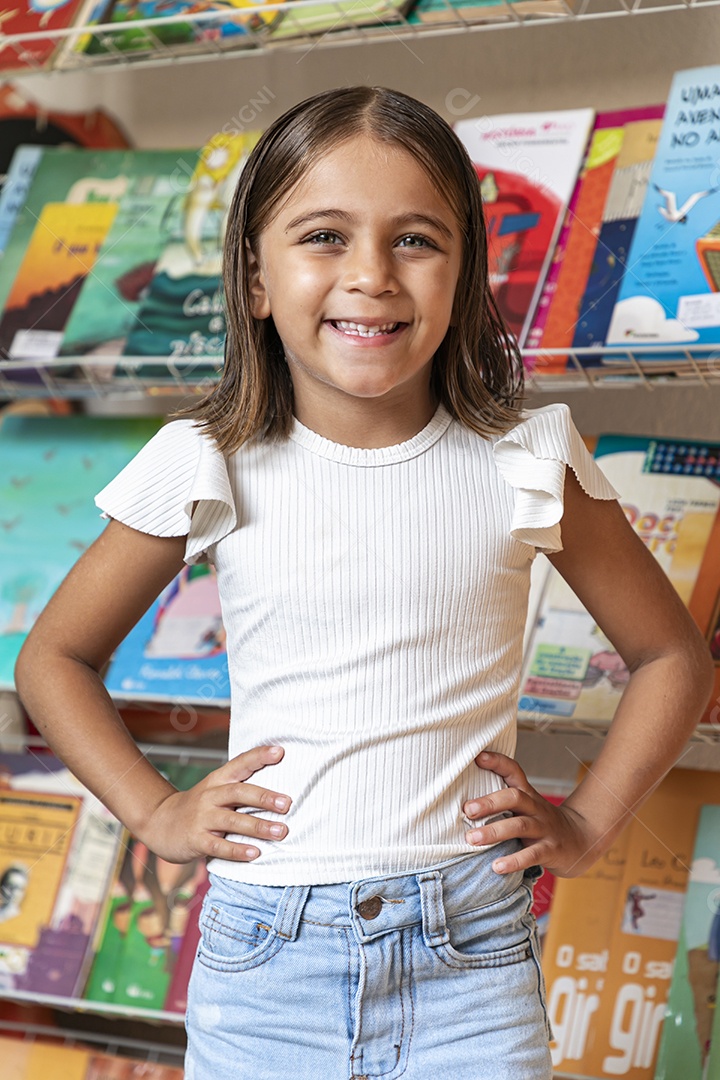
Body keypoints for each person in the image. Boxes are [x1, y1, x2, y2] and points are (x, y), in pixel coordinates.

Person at [14, 86, 714, 1079]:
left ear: (467, 272)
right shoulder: (208, 458)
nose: (372, 276)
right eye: (326, 237)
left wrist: (591, 823)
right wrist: (155, 810)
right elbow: (56, 658)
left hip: (470, 954)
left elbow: (670, 657)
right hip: (266, 963)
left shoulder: (527, 457)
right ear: (255, 277)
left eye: (417, 240)